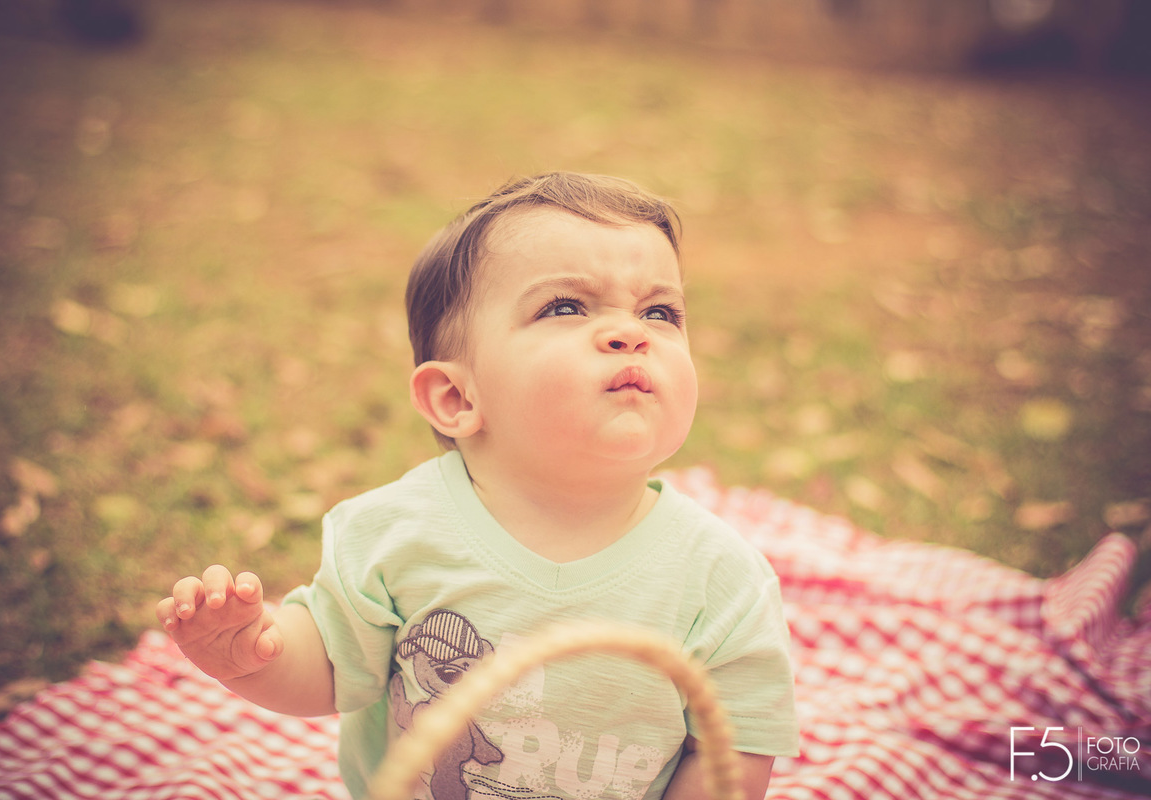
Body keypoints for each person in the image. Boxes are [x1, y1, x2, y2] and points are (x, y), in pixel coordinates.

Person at [157, 172, 800, 800]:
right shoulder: (396, 533)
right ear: (457, 396)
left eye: (660, 311)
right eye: (566, 306)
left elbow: (731, 753)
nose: (630, 333)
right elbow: (329, 668)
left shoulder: (722, 580)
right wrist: (253, 655)